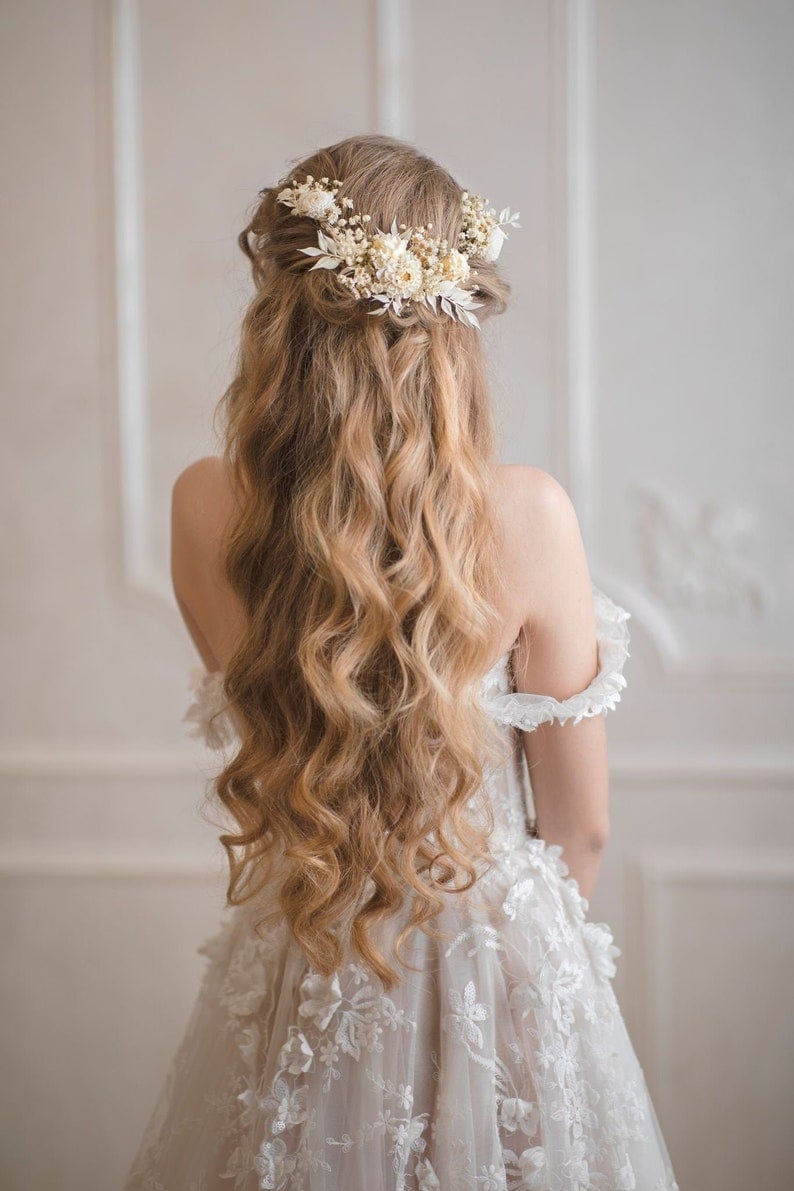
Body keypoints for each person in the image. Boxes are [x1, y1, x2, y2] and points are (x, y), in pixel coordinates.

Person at [124, 134, 679, 1191]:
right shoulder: (525, 516)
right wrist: (516, 982)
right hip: (496, 963)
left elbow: (273, 730)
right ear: (453, 325)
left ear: (275, 313)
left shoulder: (205, 503)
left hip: (307, 936)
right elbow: (581, 830)